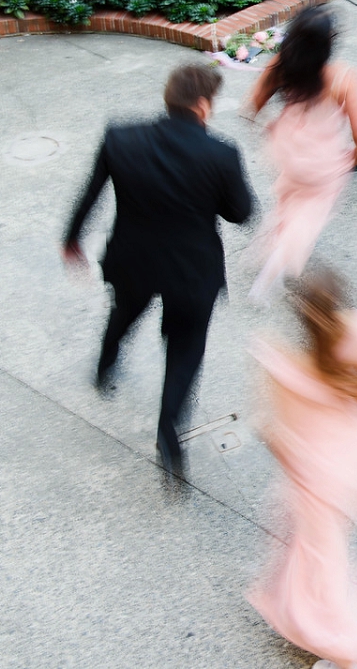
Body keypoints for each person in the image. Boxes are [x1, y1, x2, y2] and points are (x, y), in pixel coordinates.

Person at [63, 64, 254, 474]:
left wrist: (72, 238)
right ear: (202, 105)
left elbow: (91, 191)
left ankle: (105, 364)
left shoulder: (121, 138)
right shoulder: (220, 154)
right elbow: (240, 213)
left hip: (133, 259)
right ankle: (168, 431)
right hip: (191, 270)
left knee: (124, 313)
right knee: (185, 347)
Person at [248, 269, 357, 669]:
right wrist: (348, 390)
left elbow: (270, 429)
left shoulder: (281, 361)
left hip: (313, 471)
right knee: (308, 538)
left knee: (322, 550)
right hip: (354, 459)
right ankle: (291, 603)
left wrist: (294, 468)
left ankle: (337, 636)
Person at [247, 7, 357, 301]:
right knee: (310, 213)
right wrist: (356, 155)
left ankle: (271, 239)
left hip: (287, 147)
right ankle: (277, 263)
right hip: (322, 158)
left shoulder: (282, 64)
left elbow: (253, 103)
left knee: (288, 198)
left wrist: (270, 128)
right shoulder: (344, 78)